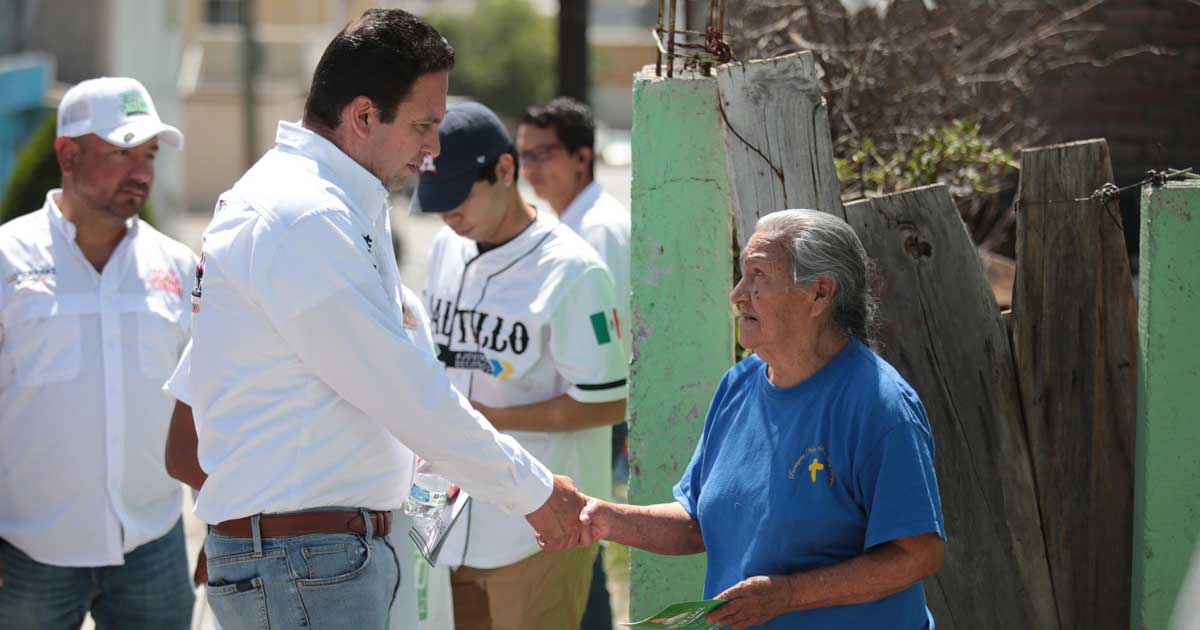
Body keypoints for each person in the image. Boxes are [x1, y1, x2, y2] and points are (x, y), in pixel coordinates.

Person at [184, 10, 585, 629]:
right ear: (365, 116)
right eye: (425, 125)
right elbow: (402, 391)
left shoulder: (330, 201)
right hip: (303, 562)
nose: (433, 150)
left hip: (314, 556)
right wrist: (532, 492)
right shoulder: (304, 215)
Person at [579, 209, 946, 629]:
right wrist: (607, 518)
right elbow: (698, 522)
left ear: (820, 293)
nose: (738, 294)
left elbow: (918, 554)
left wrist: (788, 595)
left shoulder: (880, 407)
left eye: (758, 277)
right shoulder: (739, 385)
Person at [414, 101, 628, 630]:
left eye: (459, 198)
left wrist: (490, 419)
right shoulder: (446, 247)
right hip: (441, 516)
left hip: (534, 525)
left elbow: (608, 399)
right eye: (437, 201)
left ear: (504, 171)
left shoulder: (573, 268)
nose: (448, 215)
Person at [0, 77, 196, 629]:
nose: (141, 172)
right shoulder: (7, 259)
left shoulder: (179, 268)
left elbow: (209, 404)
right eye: (121, 153)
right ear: (68, 153)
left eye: (150, 154)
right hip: (28, 553)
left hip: (152, 546)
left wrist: (226, 520)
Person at [518, 96, 632, 629]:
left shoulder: (595, 230)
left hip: (588, 411)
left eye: (544, 153)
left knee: (575, 543)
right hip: (569, 410)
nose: (531, 168)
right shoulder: (573, 222)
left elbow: (608, 336)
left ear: (582, 158)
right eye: (524, 155)